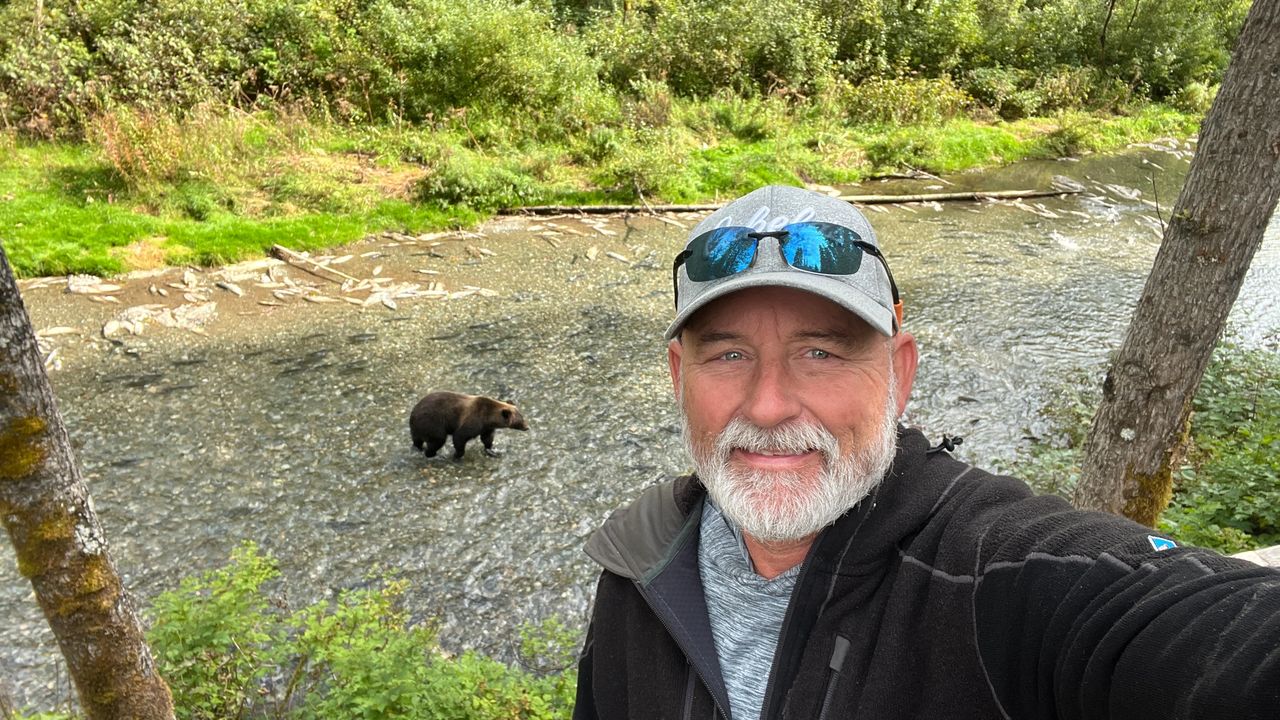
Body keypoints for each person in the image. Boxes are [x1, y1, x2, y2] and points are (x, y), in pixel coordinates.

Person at [572, 185, 1280, 720]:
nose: (767, 405)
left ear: (900, 373)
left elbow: (1203, 630)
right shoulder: (639, 563)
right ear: (677, 377)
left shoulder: (999, 574)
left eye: (820, 352)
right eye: (728, 354)